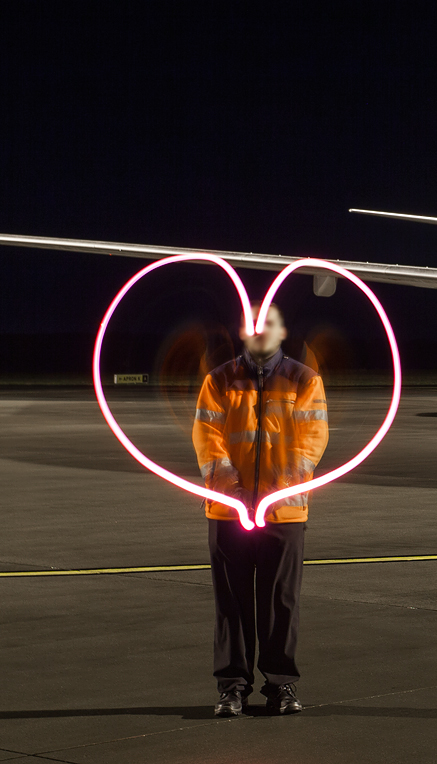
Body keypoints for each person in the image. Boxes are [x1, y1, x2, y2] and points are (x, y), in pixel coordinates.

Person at [192, 304, 328, 717]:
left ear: (282, 331)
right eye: (253, 324)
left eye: (268, 323)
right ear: (243, 332)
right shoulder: (219, 380)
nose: (260, 331)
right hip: (228, 512)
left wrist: (275, 490)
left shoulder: (305, 380)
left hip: (283, 513)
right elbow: (207, 437)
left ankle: (280, 685)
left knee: (280, 603)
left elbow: (312, 440)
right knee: (230, 605)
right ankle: (232, 687)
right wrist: (233, 489)